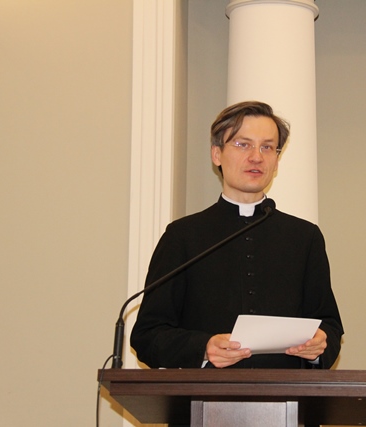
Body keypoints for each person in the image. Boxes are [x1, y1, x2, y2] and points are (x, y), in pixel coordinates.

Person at [131, 101, 343, 371]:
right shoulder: (183, 236)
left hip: (285, 393)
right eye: (243, 144)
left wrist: (318, 346)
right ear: (216, 154)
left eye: (267, 147)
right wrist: (204, 347)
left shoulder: (304, 237)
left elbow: (330, 326)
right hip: (205, 395)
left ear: (276, 160)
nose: (256, 157)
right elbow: (148, 335)